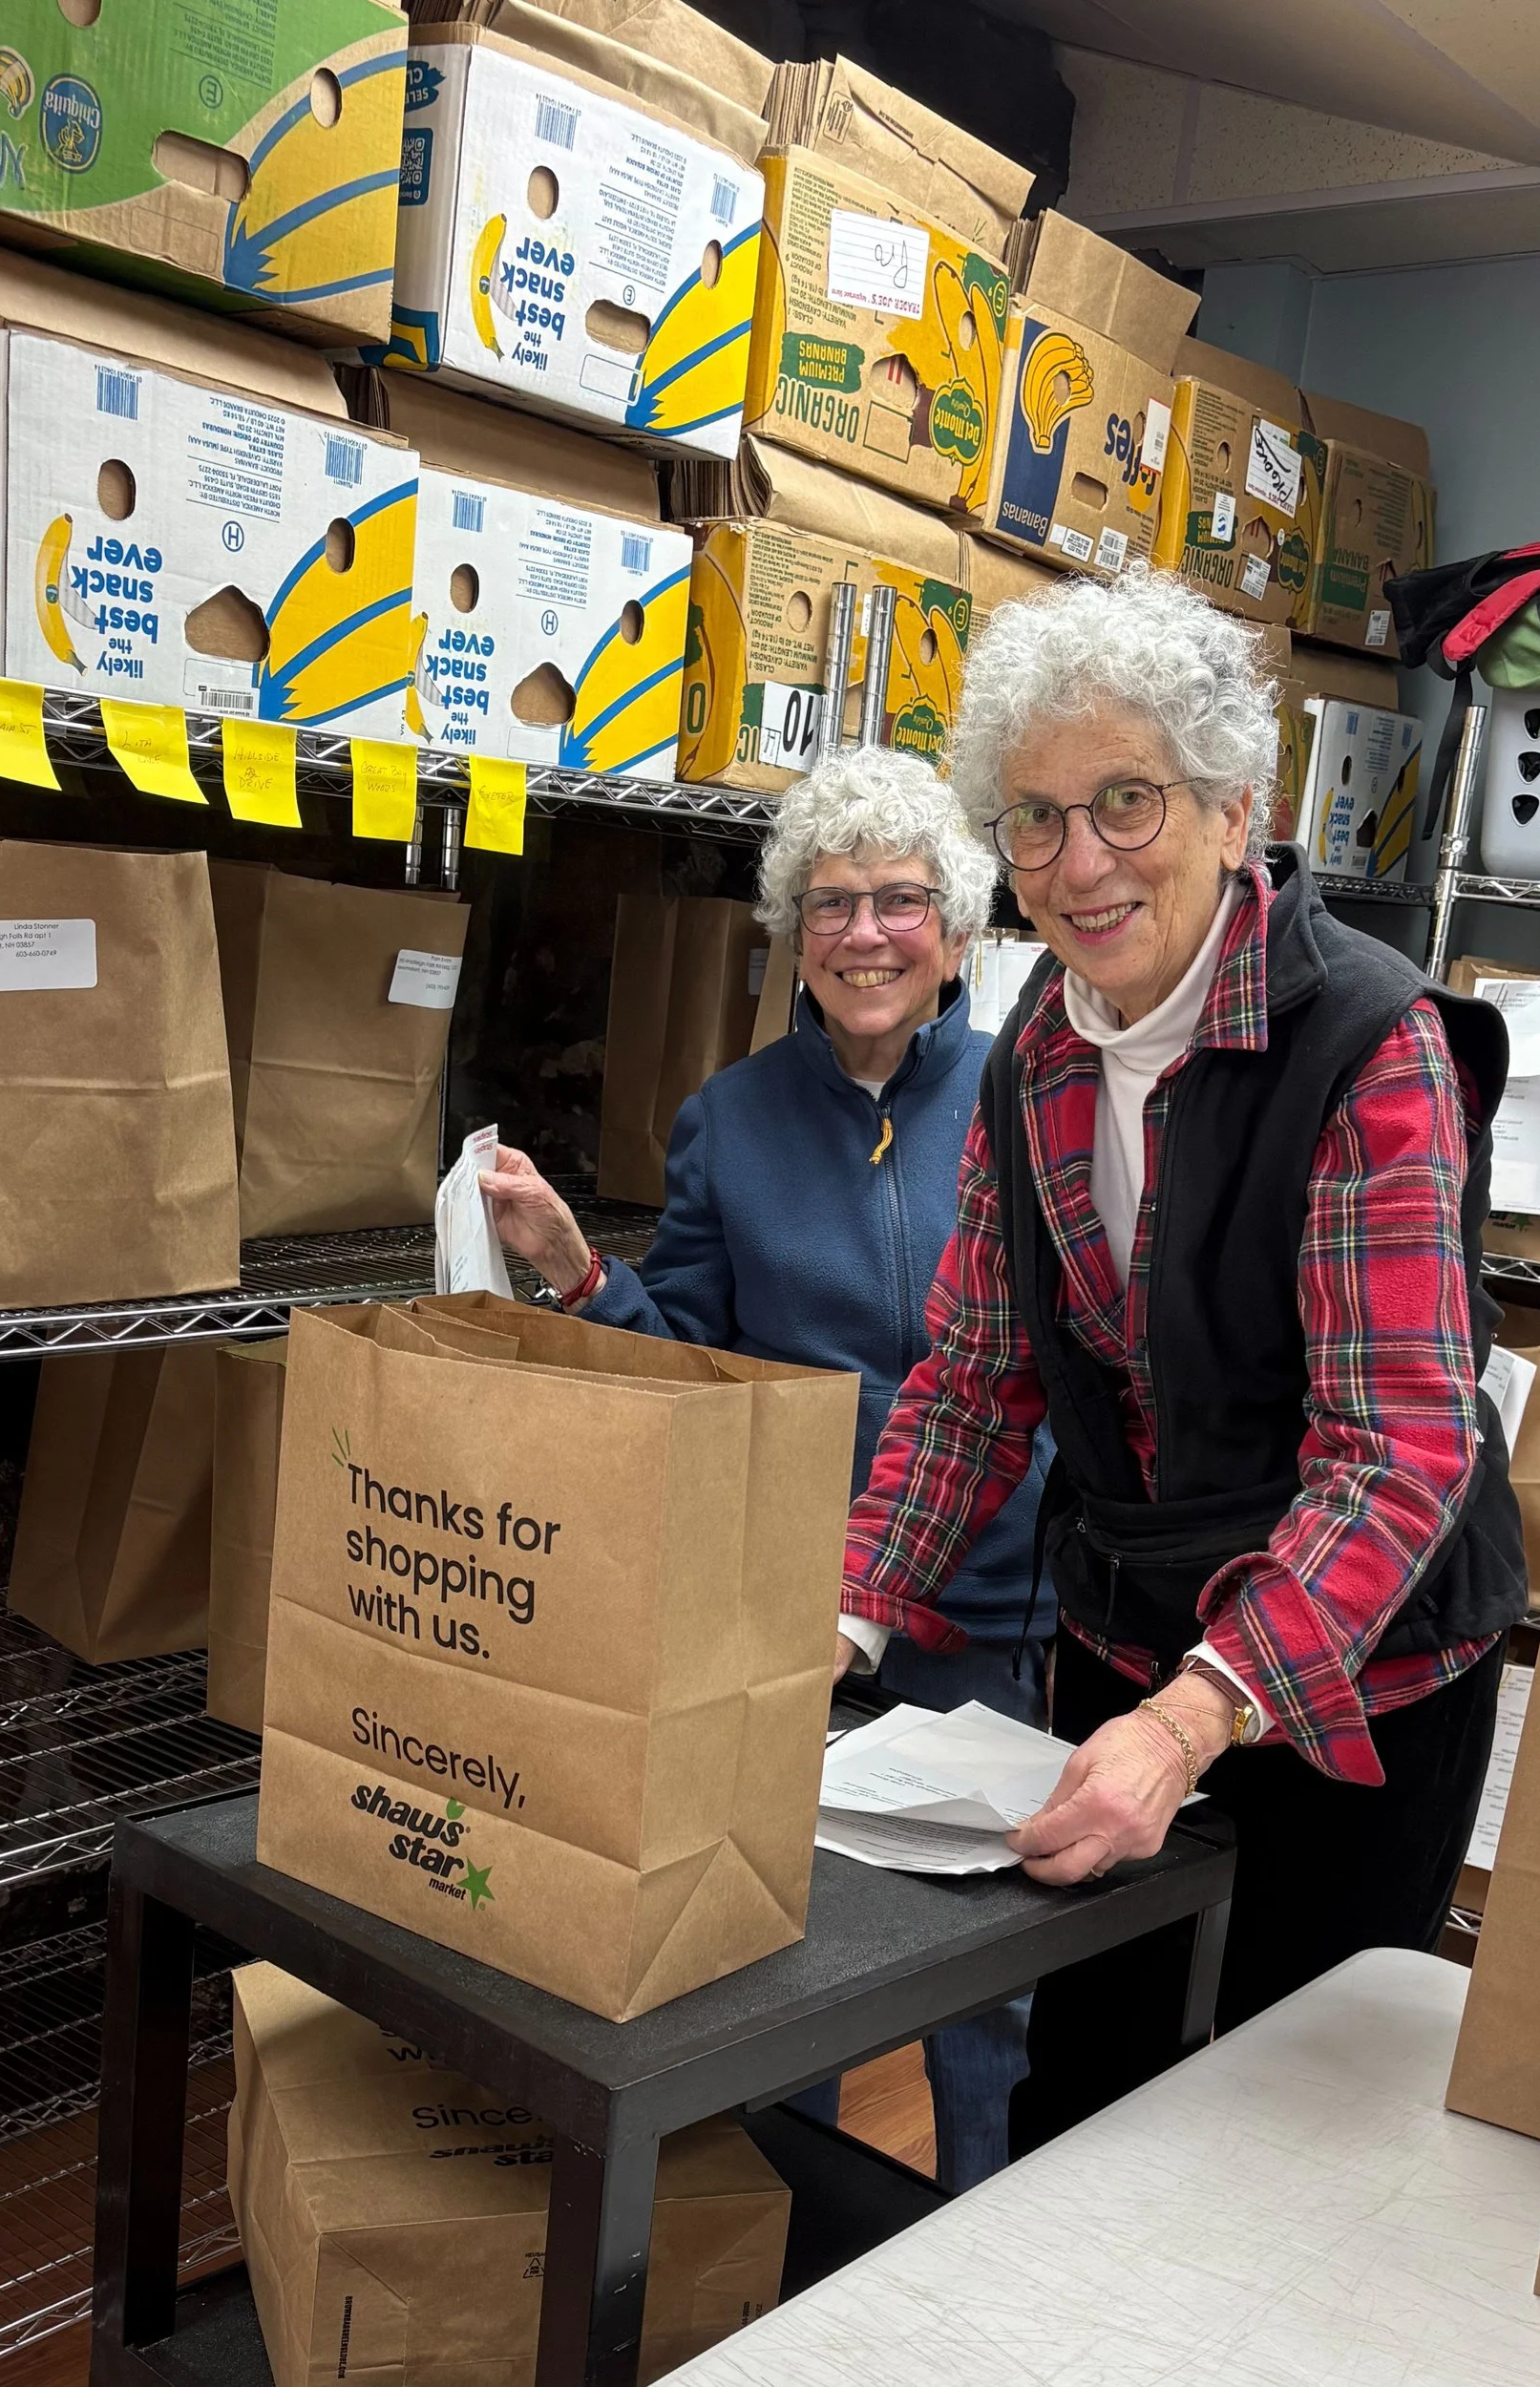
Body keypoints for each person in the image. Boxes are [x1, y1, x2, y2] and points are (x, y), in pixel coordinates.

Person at [836, 570, 1529, 2156]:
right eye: (1033, 820)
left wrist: (1194, 1717)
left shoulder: (1370, 1048)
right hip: (1133, 1634)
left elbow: (1401, 1447)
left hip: (1370, 1673)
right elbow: (975, 1378)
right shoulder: (1039, 1052)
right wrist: (847, 1616)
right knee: (1091, 2090)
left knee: (1293, 2124)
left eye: (1126, 803)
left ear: (1234, 810)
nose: (1078, 864)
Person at [483, 746, 1051, 2191]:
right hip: (783, 1610)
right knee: (769, 1949)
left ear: (961, 931)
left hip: (991, 1612)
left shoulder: (1030, 1101)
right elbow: (687, 1361)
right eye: (833, 903)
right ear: (796, 933)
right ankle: (774, 2262)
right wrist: (576, 1271)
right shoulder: (730, 1121)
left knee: (986, 1989)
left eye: (902, 902)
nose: (865, 934)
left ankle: (983, 2257)